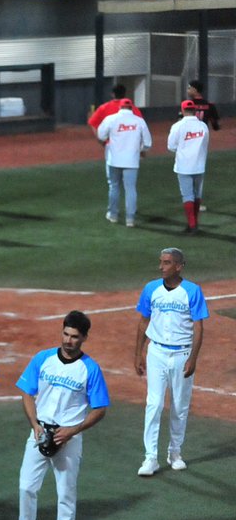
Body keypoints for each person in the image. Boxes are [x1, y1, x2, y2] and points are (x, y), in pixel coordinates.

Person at [3, 311, 109, 520]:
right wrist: (35, 425)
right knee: (26, 486)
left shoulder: (90, 369)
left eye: (74, 336)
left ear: (84, 338)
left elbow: (100, 409)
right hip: (39, 434)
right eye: (66, 334)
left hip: (68, 439)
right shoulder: (43, 359)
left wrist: (73, 430)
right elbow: (27, 393)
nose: (68, 340)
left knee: (65, 493)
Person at [135, 248, 208, 476]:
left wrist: (193, 358)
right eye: (160, 262)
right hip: (156, 352)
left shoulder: (192, 291)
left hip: (182, 354)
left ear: (179, 266)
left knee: (180, 406)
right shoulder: (151, 289)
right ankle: (150, 458)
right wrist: (138, 353)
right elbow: (143, 321)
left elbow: (198, 327)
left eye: (167, 262)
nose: (161, 266)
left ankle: (175, 452)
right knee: (153, 404)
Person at [96, 98, 152, 227]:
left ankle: (113, 215)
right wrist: (140, 149)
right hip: (132, 160)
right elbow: (148, 143)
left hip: (114, 160)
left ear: (120, 107)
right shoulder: (139, 121)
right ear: (131, 108)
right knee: (131, 188)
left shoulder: (111, 119)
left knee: (114, 186)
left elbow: (101, 135)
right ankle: (130, 219)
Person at [167, 100, 210, 234]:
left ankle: (192, 225)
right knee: (197, 195)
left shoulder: (177, 126)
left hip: (184, 166)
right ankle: (194, 223)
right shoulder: (203, 126)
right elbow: (205, 144)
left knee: (187, 196)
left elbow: (171, 146)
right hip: (199, 165)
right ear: (195, 110)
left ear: (183, 110)